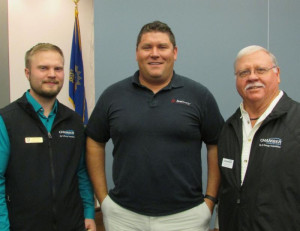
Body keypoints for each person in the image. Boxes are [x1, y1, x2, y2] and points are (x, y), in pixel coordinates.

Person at [86, 20, 224, 231]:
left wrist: (210, 200)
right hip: (124, 217)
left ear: (175, 52)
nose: (155, 53)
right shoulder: (113, 96)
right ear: (137, 53)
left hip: (187, 218)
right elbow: (94, 141)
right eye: (147, 47)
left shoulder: (199, 96)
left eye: (162, 47)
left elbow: (216, 145)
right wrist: (103, 199)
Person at [0, 43, 96, 231]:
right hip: (23, 225)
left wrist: (89, 214)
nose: (52, 74)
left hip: (72, 224)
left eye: (58, 68)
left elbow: (82, 172)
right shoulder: (7, 120)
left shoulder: (75, 121)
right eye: (43, 68)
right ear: (28, 73)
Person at [216, 45, 300, 230]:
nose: (252, 77)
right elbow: (228, 189)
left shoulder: (296, 123)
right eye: (244, 72)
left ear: (277, 74)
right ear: (236, 80)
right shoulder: (229, 128)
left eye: (260, 70)